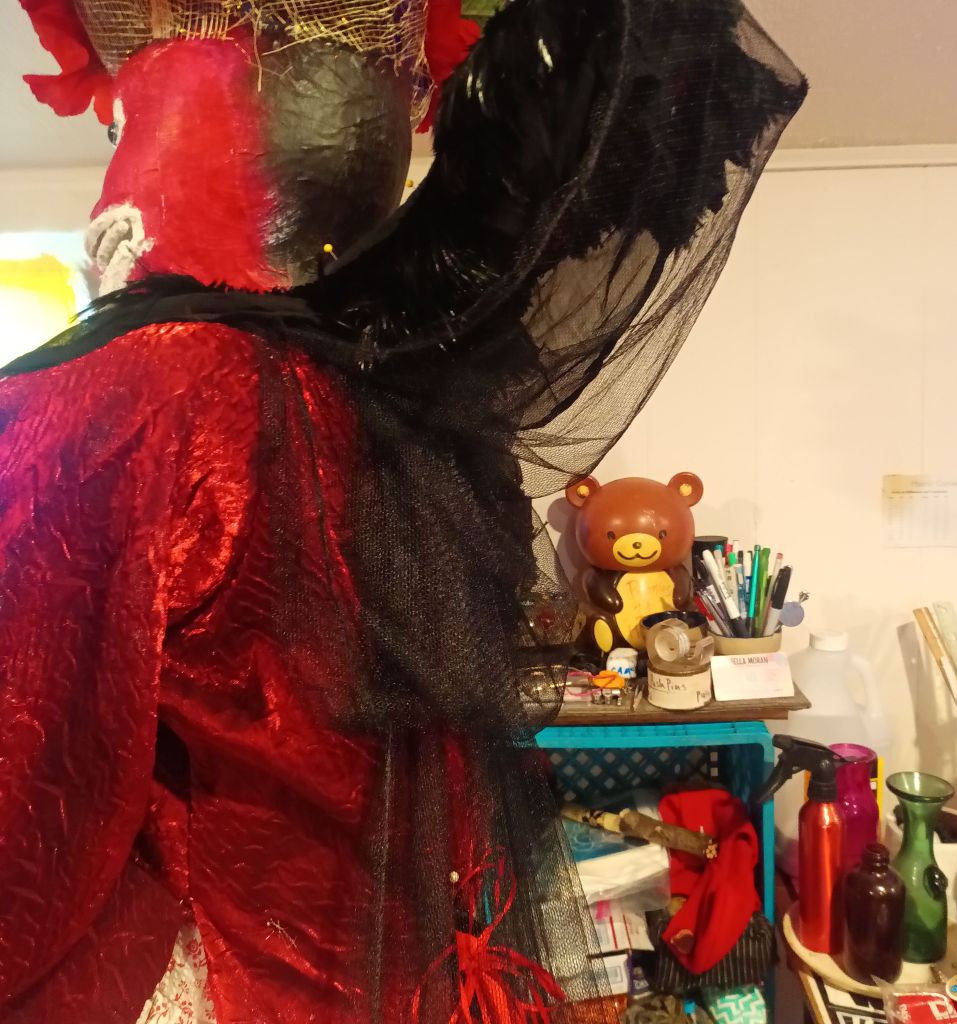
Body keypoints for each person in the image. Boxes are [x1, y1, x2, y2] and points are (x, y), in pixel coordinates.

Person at [3, 1, 805, 1020]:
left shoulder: (123, 402)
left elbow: (31, 812)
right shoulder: (405, 409)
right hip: (411, 971)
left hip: (251, 978)